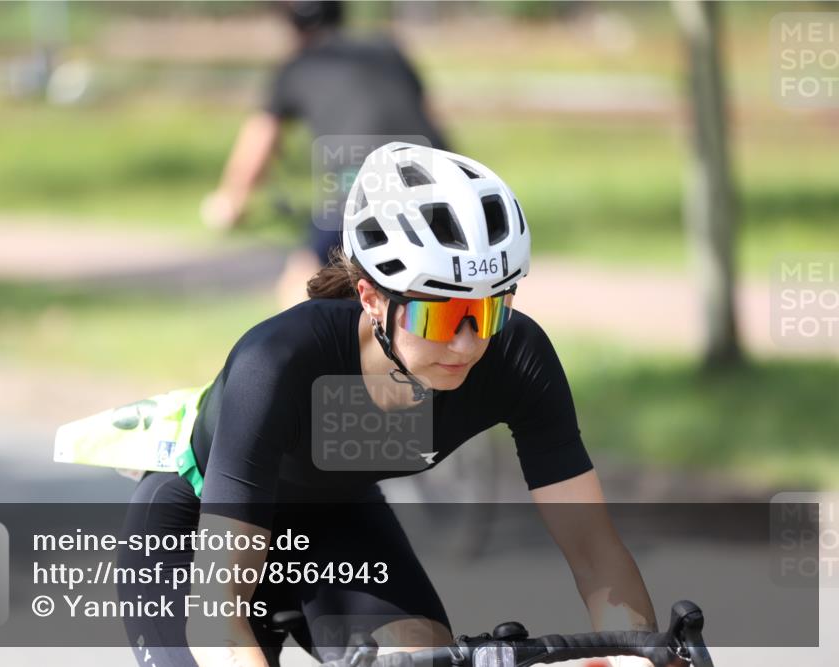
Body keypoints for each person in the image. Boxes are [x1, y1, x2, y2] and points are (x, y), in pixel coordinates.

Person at [114, 143, 659, 667]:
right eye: (440, 317)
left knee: (425, 657)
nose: (468, 343)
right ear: (372, 297)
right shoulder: (277, 362)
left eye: (491, 311)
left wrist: (642, 654)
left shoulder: (517, 357)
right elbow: (216, 615)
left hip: (334, 517)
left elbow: (594, 552)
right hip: (197, 526)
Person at [200, 0, 448, 308]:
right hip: (435, 178)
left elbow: (259, 141)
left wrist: (231, 200)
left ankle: (300, 356)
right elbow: (430, 117)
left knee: (303, 282)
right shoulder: (387, 49)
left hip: (362, 183)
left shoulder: (299, 65)